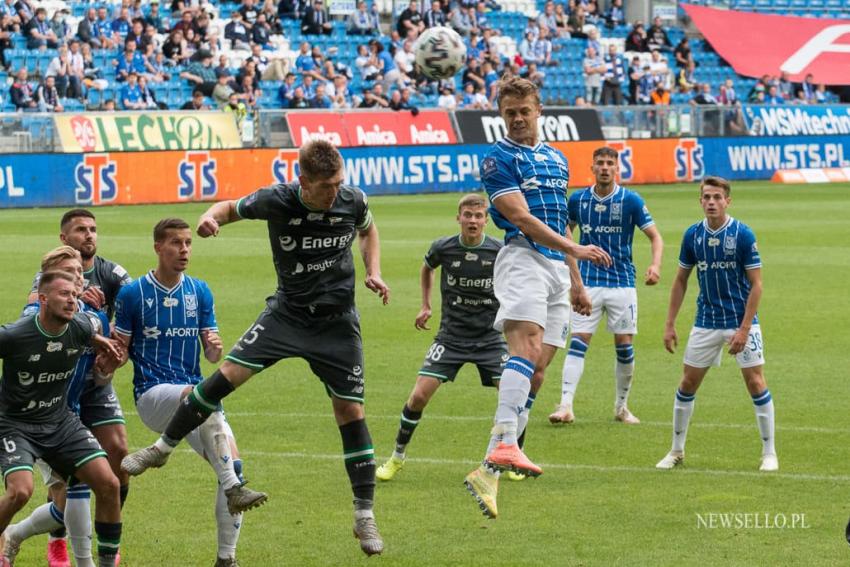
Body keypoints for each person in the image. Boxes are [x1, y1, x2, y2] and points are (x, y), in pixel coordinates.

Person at [120, 140, 390, 556]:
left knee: (350, 411)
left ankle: (364, 516)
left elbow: (368, 229)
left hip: (337, 325)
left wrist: (373, 271)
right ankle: (161, 449)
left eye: (339, 183)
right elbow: (229, 209)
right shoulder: (277, 200)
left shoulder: (352, 200)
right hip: (287, 315)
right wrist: (210, 217)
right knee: (225, 377)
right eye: (326, 187)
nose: (335, 193)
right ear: (304, 182)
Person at [463, 77, 611, 519]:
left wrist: (577, 280)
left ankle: (488, 470)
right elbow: (521, 218)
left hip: (557, 270)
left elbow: (559, 220)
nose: (517, 118)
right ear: (501, 115)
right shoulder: (497, 159)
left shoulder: (556, 158)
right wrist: (575, 249)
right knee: (524, 350)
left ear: (537, 109)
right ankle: (508, 442)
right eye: (509, 113)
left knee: (540, 370)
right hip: (522, 259)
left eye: (524, 110)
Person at [112, 218, 260, 567]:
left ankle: (226, 559)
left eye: (188, 243)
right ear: (158, 247)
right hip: (153, 396)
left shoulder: (199, 291)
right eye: (176, 243)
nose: (184, 250)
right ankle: (231, 487)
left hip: (195, 401)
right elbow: (120, 352)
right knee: (201, 395)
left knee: (234, 465)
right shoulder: (133, 295)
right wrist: (110, 356)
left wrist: (213, 347)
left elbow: (211, 354)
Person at [25, 209, 133, 564]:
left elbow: (133, 314)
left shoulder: (113, 274)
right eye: (80, 230)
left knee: (116, 453)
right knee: (67, 481)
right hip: (57, 388)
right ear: (64, 238)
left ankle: (106, 536)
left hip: (95, 381)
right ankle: (57, 540)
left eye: (93, 229)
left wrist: (115, 352)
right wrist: (74, 309)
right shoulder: (50, 280)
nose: (89, 235)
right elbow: (30, 320)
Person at [376, 195, 506, 482]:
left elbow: (515, 280)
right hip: (451, 337)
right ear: (458, 218)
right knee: (419, 395)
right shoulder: (443, 248)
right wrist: (426, 305)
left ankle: (509, 456)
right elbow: (427, 268)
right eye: (468, 215)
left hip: (490, 338)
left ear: (486, 219)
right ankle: (397, 457)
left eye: (478, 215)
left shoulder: (499, 250)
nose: (473, 220)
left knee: (512, 396)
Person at [0, 271, 124, 567]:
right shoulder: (16, 334)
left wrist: (104, 345)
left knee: (109, 484)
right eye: (63, 294)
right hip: (16, 424)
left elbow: (90, 333)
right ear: (42, 299)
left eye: (74, 294)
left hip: (59, 421)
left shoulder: (80, 326)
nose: (72, 300)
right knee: (20, 491)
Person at [656, 176, 777, 473]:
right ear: (700, 201)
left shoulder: (743, 234)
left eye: (717, 197)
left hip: (739, 322)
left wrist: (745, 329)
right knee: (687, 383)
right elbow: (681, 280)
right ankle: (676, 451)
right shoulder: (692, 236)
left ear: (727, 201)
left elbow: (757, 285)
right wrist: (670, 323)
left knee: (756, 382)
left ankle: (769, 453)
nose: (711, 202)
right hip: (706, 321)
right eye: (706, 197)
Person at [549, 147, 663, 425]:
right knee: (578, 342)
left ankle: (621, 407)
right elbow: (565, 235)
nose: (604, 167)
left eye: (609, 163)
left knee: (624, 347)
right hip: (586, 283)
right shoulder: (578, 200)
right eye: (599, 163)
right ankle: (565, 405)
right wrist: (570, 268)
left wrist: (655, 265)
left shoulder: (631, 200)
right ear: (592, 168)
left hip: (622, 283)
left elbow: (655, 237)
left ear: (617, 169)